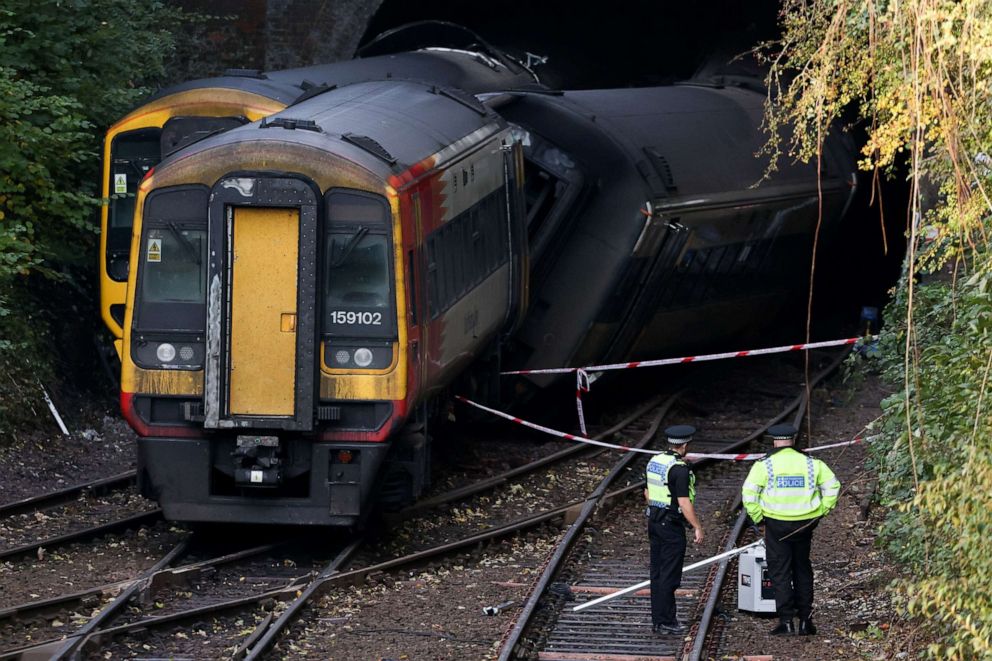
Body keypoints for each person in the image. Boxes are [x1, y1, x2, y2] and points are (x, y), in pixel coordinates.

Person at [741, 423, 841, 636]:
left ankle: (786, 622)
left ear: (775, 441)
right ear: (793, 440)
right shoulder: (812, 463)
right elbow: (833, 486)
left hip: (776, 524)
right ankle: (806, 621)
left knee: (780, 571)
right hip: (805, 524)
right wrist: (822, 510)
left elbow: (749, 493)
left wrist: (759, 517)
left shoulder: (764, 465)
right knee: (802, 568)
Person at [645, 424, 704, 635]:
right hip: (670, 525)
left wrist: (655, 509)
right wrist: (697, 526)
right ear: (685, 445)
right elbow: (683, 501)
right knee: (670, 575)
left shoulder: (655, 461)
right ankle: (667, 621)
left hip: (654, 520)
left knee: (658, 572)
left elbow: (647, 491)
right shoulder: (679, 468)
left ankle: (658, 620)